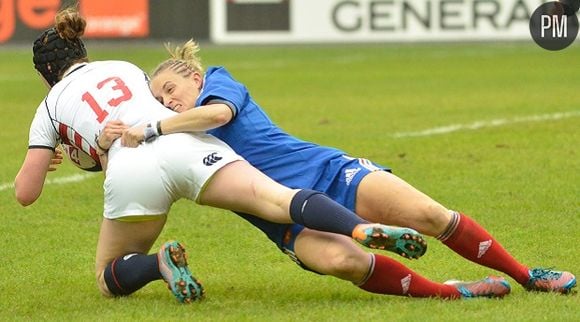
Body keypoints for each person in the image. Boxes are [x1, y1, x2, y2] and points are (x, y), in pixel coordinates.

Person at [14, 8, 433, 304]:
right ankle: (359, 230)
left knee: (108, 275)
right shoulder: (125, 67)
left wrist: (68, 151)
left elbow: (26, 193)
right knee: (280, 200)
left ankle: (158, 263)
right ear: (81, 51)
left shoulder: (49, 106)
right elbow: (149, 111)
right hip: (186, 145)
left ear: (45, 75)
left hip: (130, 168)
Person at [117, 39, 576, 295]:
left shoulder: (218, 84)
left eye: (171, 88)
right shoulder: (177, 134)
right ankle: (453, 291)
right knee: (342, 261)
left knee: (430, 216)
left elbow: (217, 116)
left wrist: (155, 124)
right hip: (284, 219)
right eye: (158, 99)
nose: (167, 100)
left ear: (195, 77)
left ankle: (525, 275)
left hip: (331, 174)